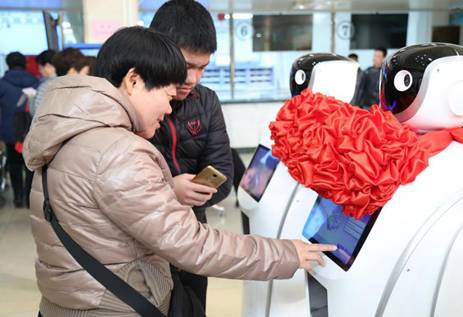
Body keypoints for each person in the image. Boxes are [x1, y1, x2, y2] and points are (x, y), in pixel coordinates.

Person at [24, 26, 335, 317]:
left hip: (67, 300)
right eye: (168, 96)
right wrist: (285, 254)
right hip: (113, 305)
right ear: (134, 81)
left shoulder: (67, 131)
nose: (169, 109)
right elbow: (192, 246)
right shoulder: (118, 151)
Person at [149, 0, 233, 308]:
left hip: (193, 235)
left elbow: (222, 174)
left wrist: (187, 194)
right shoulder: (136, 103)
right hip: (144, 243)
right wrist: (171, 190)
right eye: (186, 67)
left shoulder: (207, 102)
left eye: (202, 68)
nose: (192, 79)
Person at [0, 51, 39, 208]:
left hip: (10, 132)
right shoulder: (36, 82)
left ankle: (18, 197)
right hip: (32, 130)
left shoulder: (2, 84)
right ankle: (30, 199)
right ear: (25, 64)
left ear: (8, 64)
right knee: (31, 165)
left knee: (14, 165)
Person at [31, 48, 87, 118]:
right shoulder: (83, 87)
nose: (40, 71)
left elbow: (37, 113)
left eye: (40, 67)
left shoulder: (47, 86)